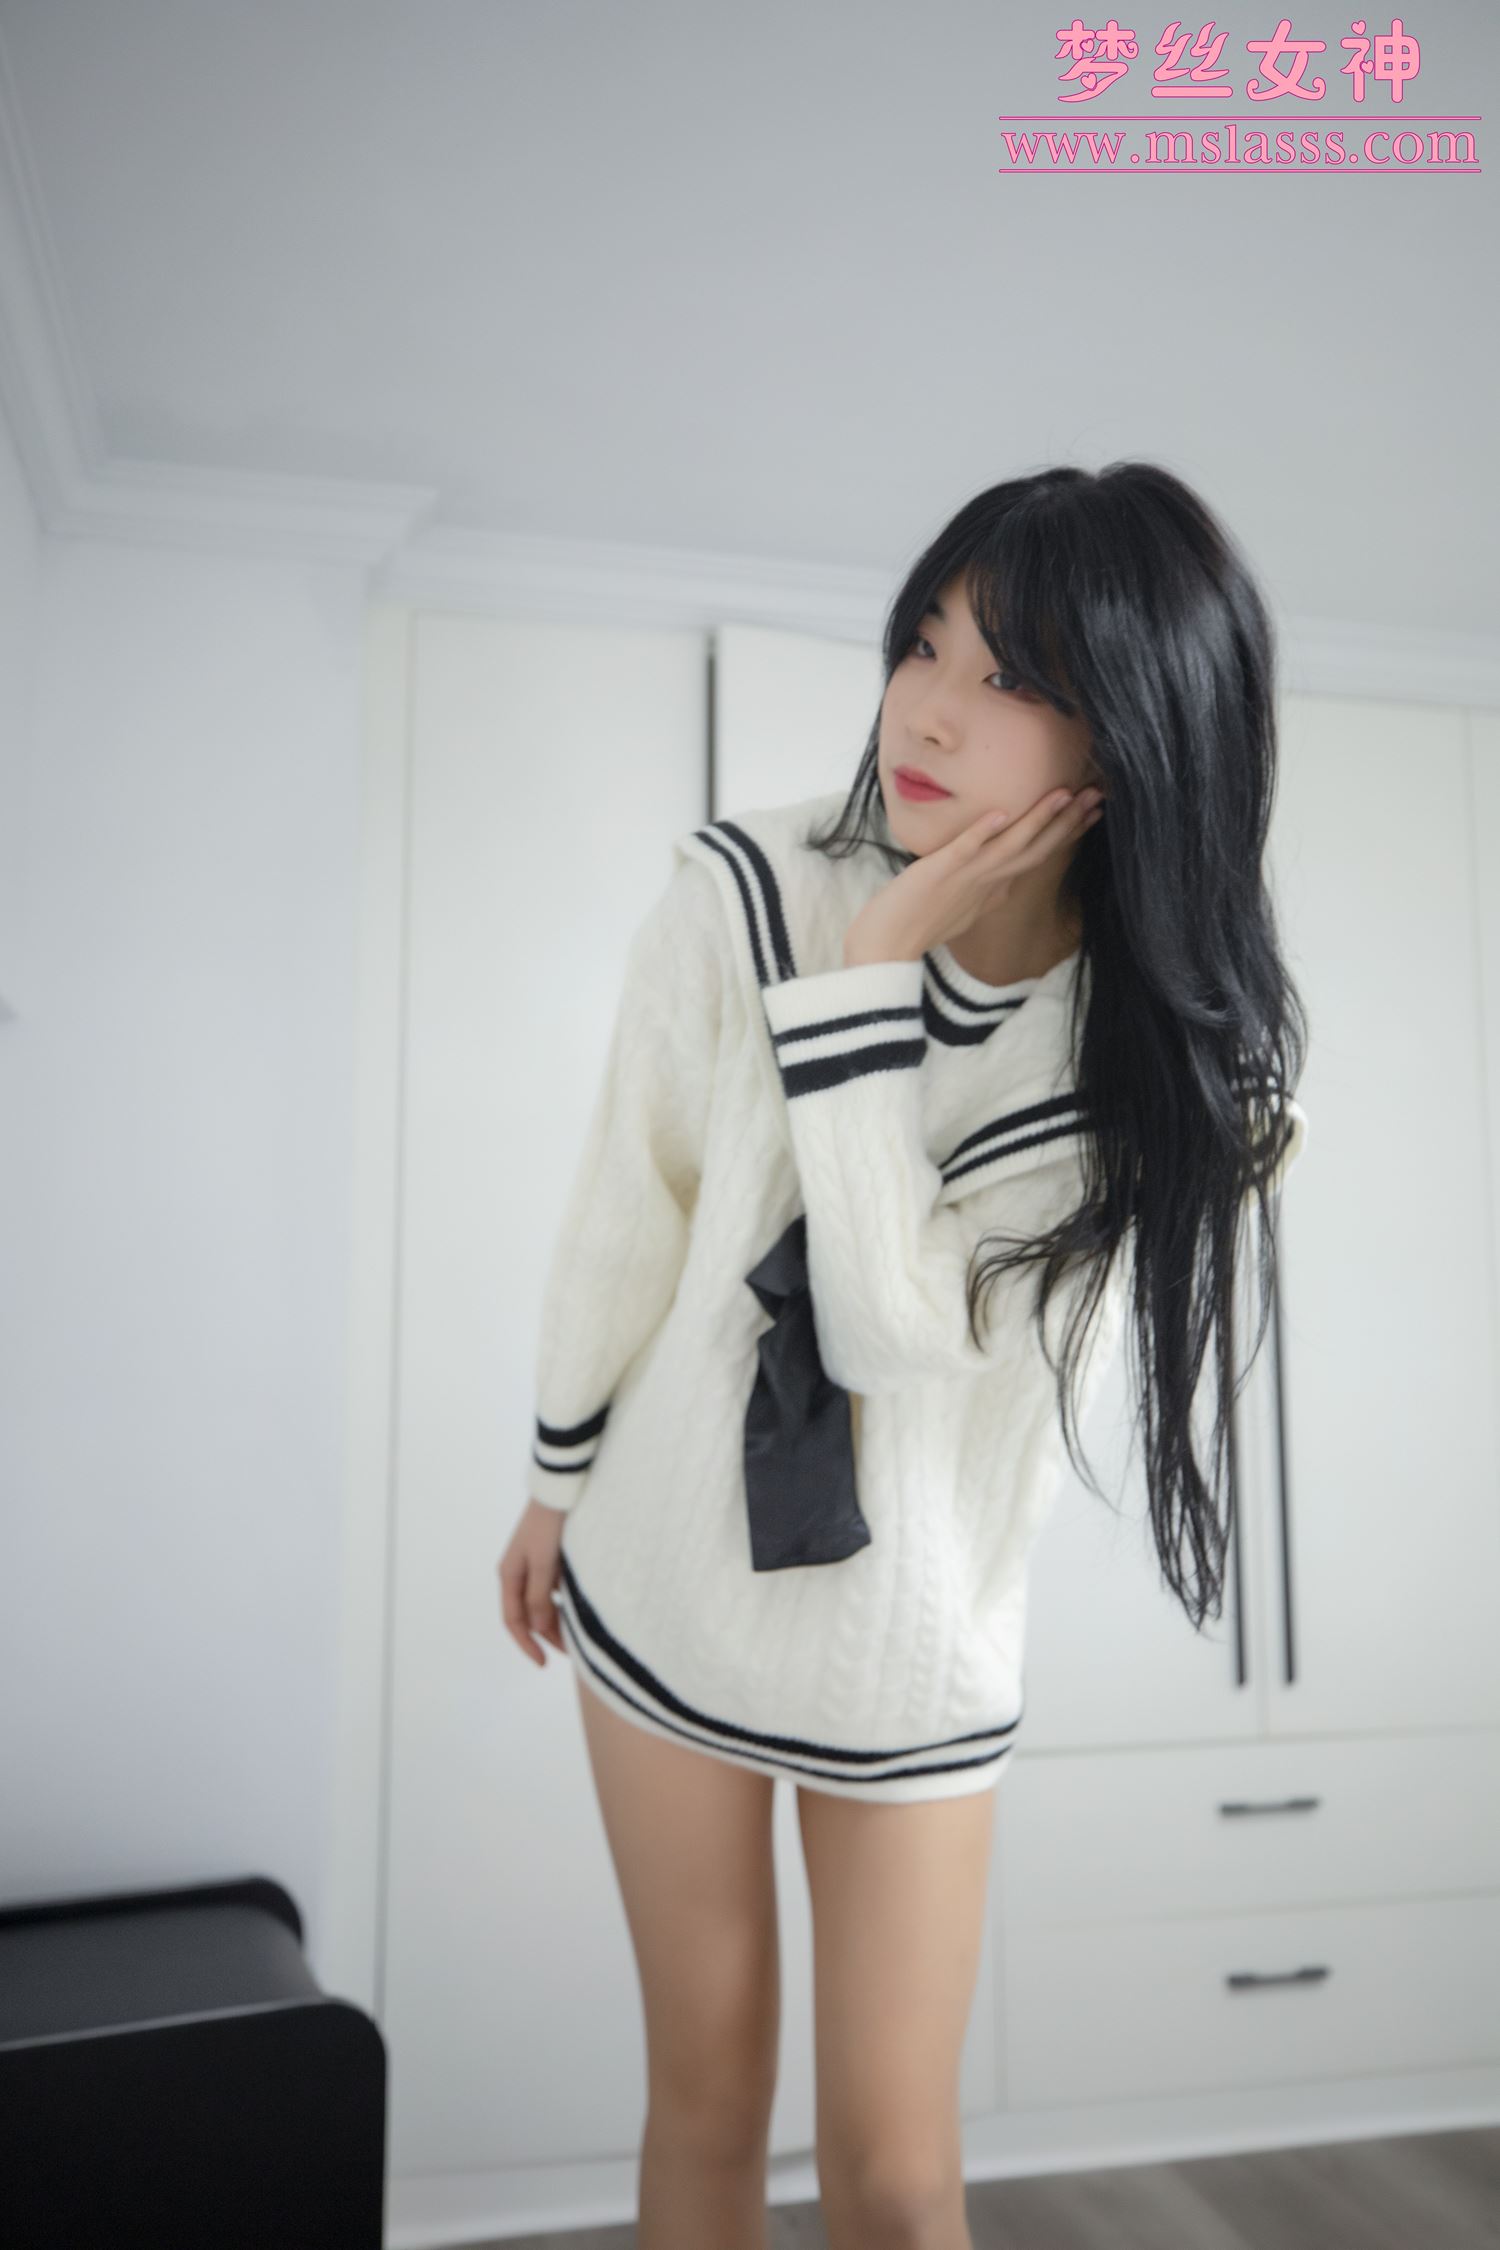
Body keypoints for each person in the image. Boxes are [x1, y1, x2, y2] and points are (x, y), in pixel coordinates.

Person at [497, 461, 1309, 2250]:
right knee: (704, 2105)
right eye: (924, 642)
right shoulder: (743, 886)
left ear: (1131, 741)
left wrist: (874, 975)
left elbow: (894, 1334)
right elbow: (629, 1206)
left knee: (894, 2171)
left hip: (912, 1648)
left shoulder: (1163, 1082)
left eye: (1011, 677)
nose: (929, 708)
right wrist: (554, 1479)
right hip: (664, 1573)